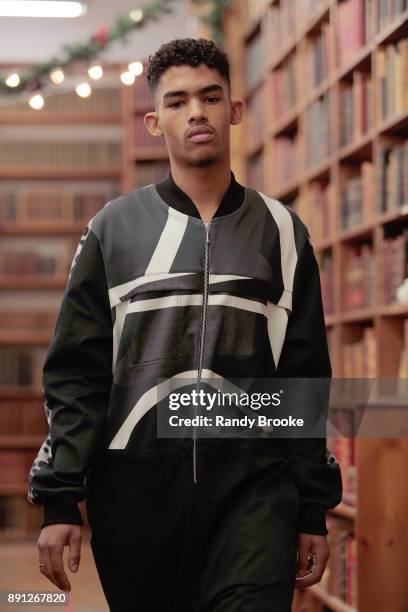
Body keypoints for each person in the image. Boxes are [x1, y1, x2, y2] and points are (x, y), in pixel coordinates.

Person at [28, 38, 342, 611]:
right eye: (177, 102)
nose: (196, 111)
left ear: (234, 110)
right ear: (155, 121)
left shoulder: (282, 232)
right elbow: (77, 372)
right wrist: (59, 497)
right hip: (135, 494)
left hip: (255, 491)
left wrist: (311, 508)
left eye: (210, 96)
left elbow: (304, 375)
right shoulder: (113, 229)